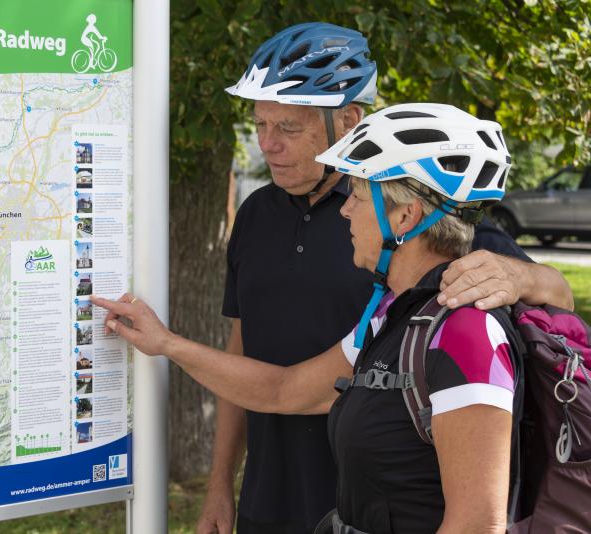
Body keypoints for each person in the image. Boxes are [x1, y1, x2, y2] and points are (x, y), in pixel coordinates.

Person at [168, 22, 572, 534]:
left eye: (288, 128)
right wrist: (219, 481)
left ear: (348, 120)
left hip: (376, 497)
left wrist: (516, 274)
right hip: (272, 498)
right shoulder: (257, 218)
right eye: (260, 125)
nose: (268, 144)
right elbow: (264, 369)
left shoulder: (416, 206)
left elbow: (552, 296)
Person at [92, 103, 534, 532]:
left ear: (405, 216)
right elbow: (284, 390)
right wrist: (166, 343)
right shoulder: (391, 317)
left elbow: (477, 523)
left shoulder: (465, 335)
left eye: (359, 195)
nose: (345, 209)